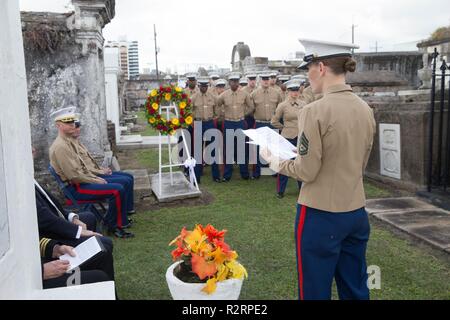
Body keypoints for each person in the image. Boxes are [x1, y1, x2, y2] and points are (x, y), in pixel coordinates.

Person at [260, 39, 376, 300]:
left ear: (321, 67)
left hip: (320, 213)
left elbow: (307, 171)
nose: (307, 76)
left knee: (314, 289)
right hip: (356, 211)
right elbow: (361, 161)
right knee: (356, 288)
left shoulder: (314, 110)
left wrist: (275, 161)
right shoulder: (365, 109)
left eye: (308, 68)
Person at [48, 107, 134, 239]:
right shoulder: (61, 146)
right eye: (68, 123)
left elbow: (81, 168)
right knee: (117, 190)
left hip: (82, 182)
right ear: (58, 125)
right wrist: (96, 179)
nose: (72, 125)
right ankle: (113, 225)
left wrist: (95, 176)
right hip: (76, 188)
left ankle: (116, 221)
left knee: (121, 185)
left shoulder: (67, 142)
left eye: (73, 122)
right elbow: (74, 176)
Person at [72, 119, 136, 217]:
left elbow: (89, 163)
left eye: (78, 127)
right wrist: (101, 172)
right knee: (123, 183)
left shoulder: (77, 142)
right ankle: (117, 219)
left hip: (94, 174)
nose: (78, 129)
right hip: (90, 178)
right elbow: (82, 169)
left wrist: (101, 169)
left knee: (128, 177)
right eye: (75, 127)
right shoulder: (70, 146)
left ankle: (127, 209)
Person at [217, 73, 254, 181]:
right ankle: (227, 175)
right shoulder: (223, 95)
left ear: (238, 82)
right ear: (229, 82)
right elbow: (217, 105)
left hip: (240, 122)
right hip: (228, 123)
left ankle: (245, 173)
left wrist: (243, 113)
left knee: (242, 148)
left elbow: (251, 107)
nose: (235, 83)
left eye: (236, 81)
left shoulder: (244, 94)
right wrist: (222, 114)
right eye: (232, 81)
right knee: (228, 149)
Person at [270, 80, 303, 198]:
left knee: (300, 164)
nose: (295, 93)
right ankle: (280, 191)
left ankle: (302, 190)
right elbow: (274, 121)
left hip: (300, 137)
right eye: (293, 91)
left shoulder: (303, 104)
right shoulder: (282, 105)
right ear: (288, 92)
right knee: (284, 164)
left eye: (297, 90)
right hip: (287, 137)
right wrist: (285, 127)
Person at [40, 237, 110, 289]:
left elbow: (31, 240)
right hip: (34, 280)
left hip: (40, 262)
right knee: (99, 277)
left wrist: (55, 248)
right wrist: (41, 271)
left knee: (103, 255)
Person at [249, 72, 283, 179]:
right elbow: (251, 109)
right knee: (259, 148)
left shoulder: (276, 93)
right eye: (264, 79)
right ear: (260, 80)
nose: (266, 81)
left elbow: (280, 108)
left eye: (267, 79)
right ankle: (257, 172)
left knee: (273, 148)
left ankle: (274, 171)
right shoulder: (254, 94)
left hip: (272, 123)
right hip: (260, 123)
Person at [190, 77, 221, 183]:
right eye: (202, 86)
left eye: (205, 86)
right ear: (199, 86)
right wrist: (193, 121)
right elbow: (188, 111)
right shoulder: (193, 97)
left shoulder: (213, 97)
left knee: (213, 150)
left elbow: (217, 110)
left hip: (209, 123)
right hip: (198, 123)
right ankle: (196, 177)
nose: (204, 88)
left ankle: (216, 176)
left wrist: (214, 118)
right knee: (198, 151)